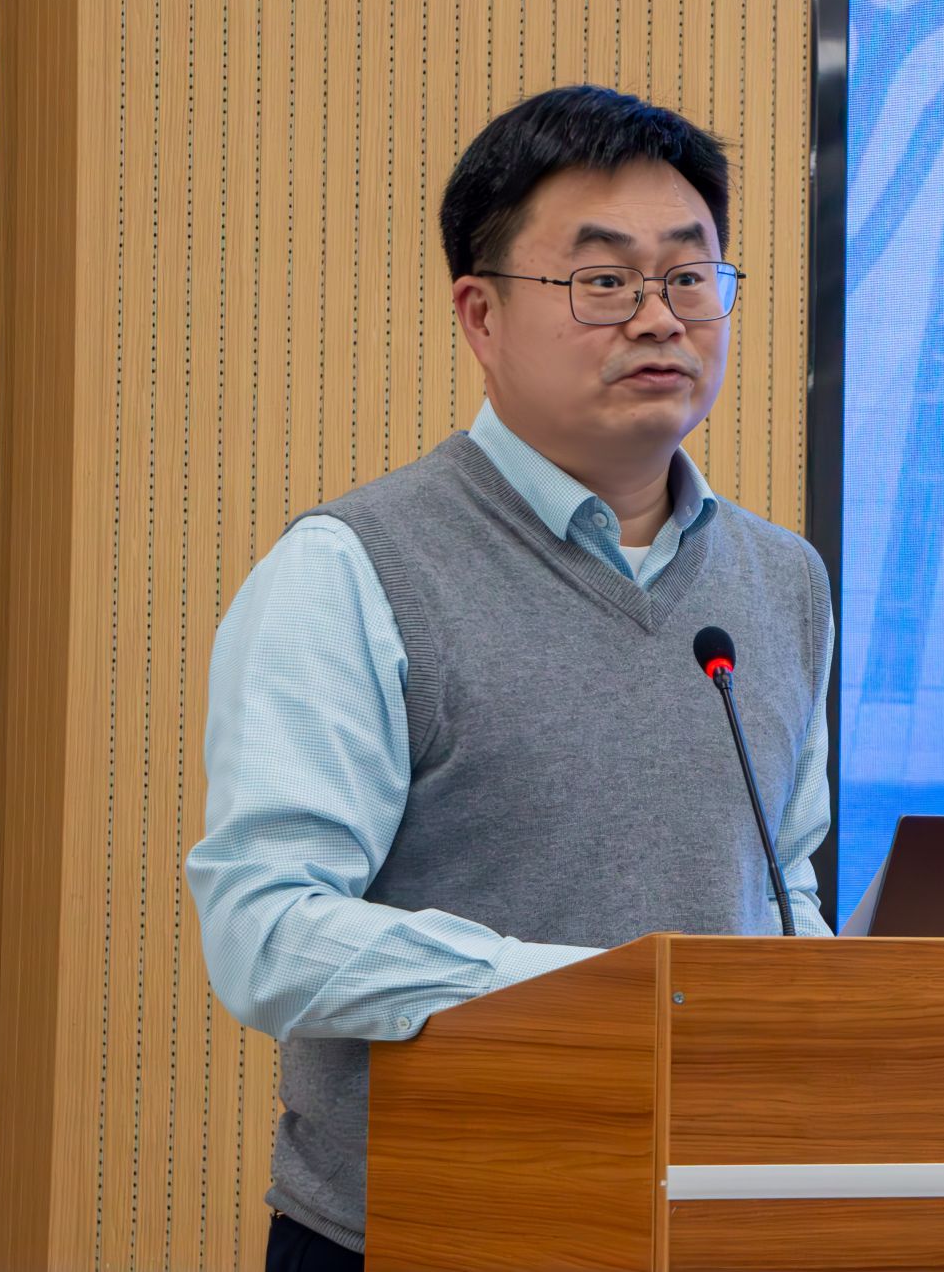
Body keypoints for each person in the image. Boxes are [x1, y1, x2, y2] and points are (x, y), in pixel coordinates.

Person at [185, 86, 836, 1272]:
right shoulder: (353, 567)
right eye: (604, 280)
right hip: (430, 1227)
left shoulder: (780, 578)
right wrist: (602, 991)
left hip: (707, 1222)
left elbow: (777, 883)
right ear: (480, 314)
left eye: (689, 277)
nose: (659, 317)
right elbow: (265, 927)